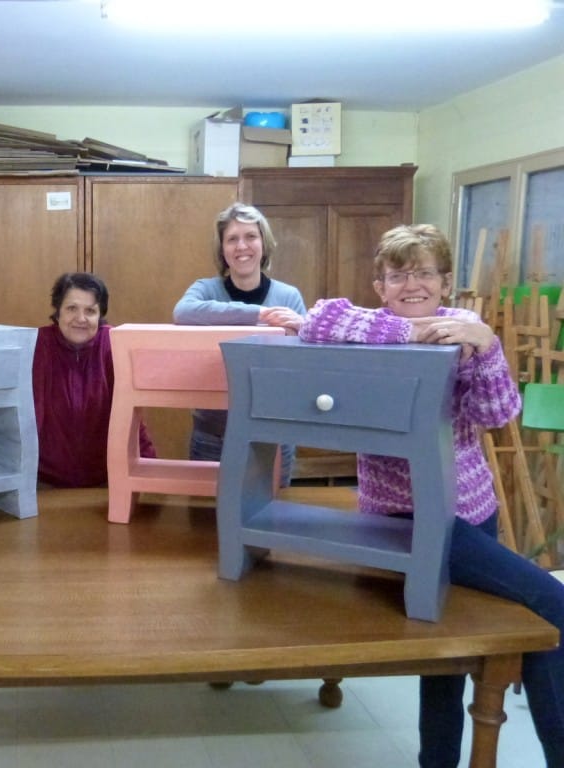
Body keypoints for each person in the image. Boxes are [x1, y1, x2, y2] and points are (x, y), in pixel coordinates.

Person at [297, 224, 564, 768]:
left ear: (445, 282)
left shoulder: (465, 329)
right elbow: (318, 317)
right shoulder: (372, 330)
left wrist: (486, 348)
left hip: (473, 515)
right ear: (381, 286)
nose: (412, 284)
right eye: (398, 275)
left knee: (475, 639)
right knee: (543, 610)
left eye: (424, 273)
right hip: (407, 519)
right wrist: (412, 331)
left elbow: (496, 415)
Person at [173, 202, 305, 484]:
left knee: (274, 508)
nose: (242, 246)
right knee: (207, 512)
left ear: (264, 243)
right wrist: (259, 314)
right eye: (232, 239)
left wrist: (302, 326)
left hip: (274, 435)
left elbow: (302, 364)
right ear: (222, 249)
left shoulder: (288, 297)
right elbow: (182, 312)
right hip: (213, 435)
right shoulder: (205, 289)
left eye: (250, 236)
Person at [32, 272, 155, 488]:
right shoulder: (38, 345)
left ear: (100, 315)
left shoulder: (114, 344)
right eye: (72, 308)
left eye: (90, 311)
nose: (81, 318)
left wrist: (149, 473)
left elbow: (133, 416)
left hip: (106, 480)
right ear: (58, 312)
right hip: (44, 481)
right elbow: (23, 419)